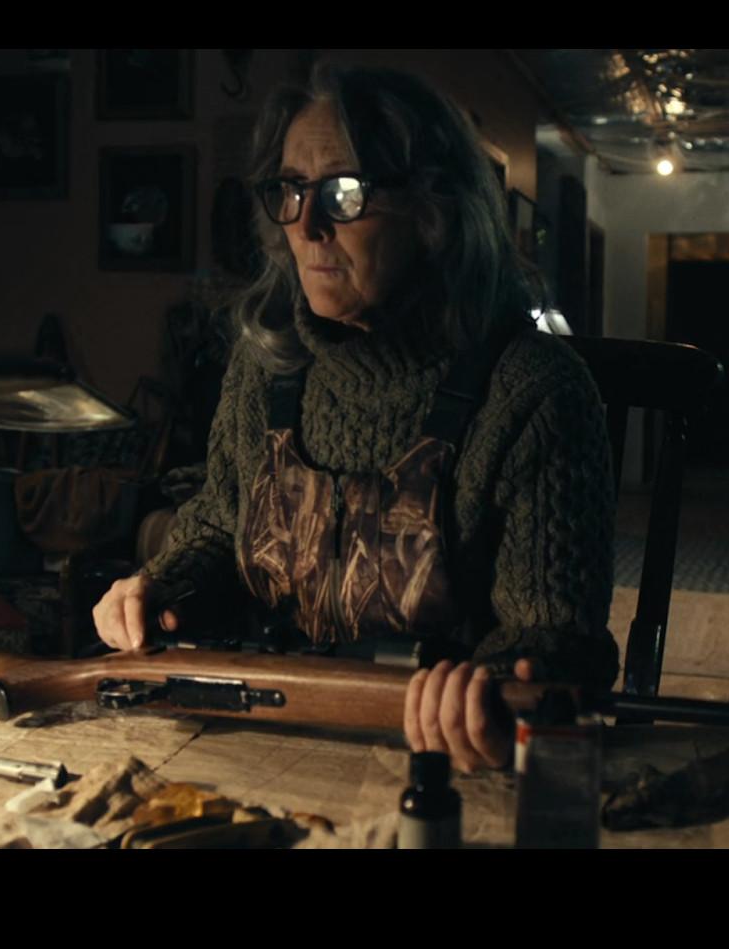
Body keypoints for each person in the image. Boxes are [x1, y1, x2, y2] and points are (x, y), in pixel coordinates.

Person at [93, 64, 618, 772]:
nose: (307, 226)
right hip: (262, 738)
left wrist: (495, 696)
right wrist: (159, 586)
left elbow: (554, 641)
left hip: (444, 763)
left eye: (343, 193)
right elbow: (222, 521)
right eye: (291, 190)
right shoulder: (267, 364)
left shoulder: (533, 394)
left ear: (433, 209)